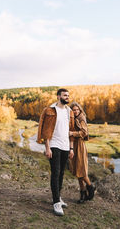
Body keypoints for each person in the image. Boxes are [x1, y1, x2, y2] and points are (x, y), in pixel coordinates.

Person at [37, 88, 74, 216]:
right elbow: (46, 131)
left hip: (65, 145)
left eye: (68, 95)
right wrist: (47, 147)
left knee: (62, 173)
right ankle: (56, 202)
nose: (67, 97)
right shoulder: (50, 110)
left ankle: (58, 197)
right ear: (58, 96)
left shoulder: (69, 112)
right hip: (54, 145)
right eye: (65, 95)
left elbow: (71, 131)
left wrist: (71, 148)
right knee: (56, 172)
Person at [69, 102, 95, 203]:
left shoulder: (81, 118)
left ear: (80, 110)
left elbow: (84, 132)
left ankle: (91, 189)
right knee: (77, 171)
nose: (75, 112)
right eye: (73, 110)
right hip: (74, 146)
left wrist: (72, 133)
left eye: (77, 110)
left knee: (82, 172)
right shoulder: (72, 118)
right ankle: (83, 193)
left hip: (80, 146)